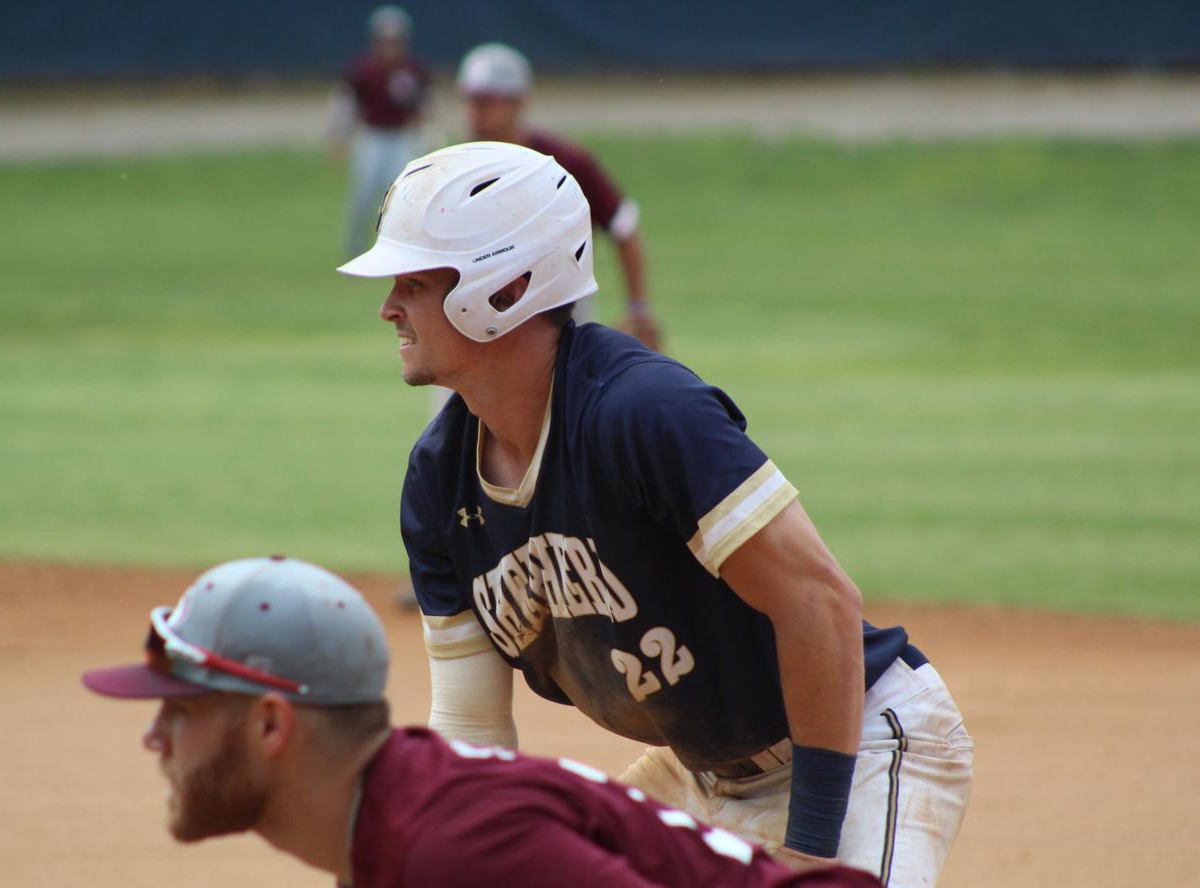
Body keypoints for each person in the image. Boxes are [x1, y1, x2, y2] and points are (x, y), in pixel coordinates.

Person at [336, 142, 974, 887]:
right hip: (697, 776)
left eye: (412, 283)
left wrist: (808, 847)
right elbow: (472, 729)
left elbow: (819, 602)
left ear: (502, 288)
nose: (387, 308)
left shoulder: (641, 413)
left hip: (852, 747)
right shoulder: (439, 483)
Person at [82, 555, 882, 888]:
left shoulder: (459, 846)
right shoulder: (395, 821)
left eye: (182, 711)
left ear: (268, 725)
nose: (155, 737)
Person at [456, 42, 660, 350]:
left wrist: (637, 308)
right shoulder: (454, 169)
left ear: (518, 102)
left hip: (558, 303)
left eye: (489, 101)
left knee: (563, 392)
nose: (477, 111)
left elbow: (624, 225)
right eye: (472, 99)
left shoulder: (564, 162)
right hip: (474, 305)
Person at [326, 6, 430, 258]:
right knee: (363, 193)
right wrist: (339, 138)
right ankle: (355, 247)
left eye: (395, 42)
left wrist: (426, 135)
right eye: (385, 41)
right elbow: (346, 105)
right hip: (372, 137)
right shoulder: (364, 71)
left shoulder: (413, 69)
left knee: (404, 195)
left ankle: (402, 247)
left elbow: (425, 105)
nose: (390, 48)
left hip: (401, 137)